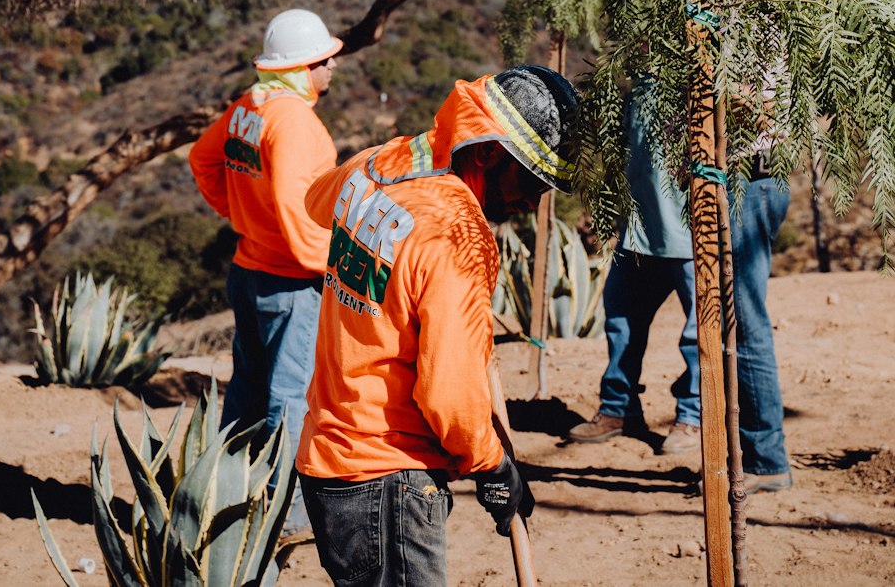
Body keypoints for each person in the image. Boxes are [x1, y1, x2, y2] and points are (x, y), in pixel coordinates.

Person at [295, 65, 580, 587]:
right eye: (533, 181)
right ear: (488, 151)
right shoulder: (459, 235)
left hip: (330, 465)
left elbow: (318, 203)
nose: (532, 203)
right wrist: (494, 469)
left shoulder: (387, 160)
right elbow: (450, 395)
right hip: (388, 478)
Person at [189, 7, 343, 526]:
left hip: (247, 270)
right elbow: (299, 211)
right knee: (289, 399)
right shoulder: (296, 123)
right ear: (302, 67)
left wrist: (238, 212)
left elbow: (203, 160)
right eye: (325, 59)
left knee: (248, 391)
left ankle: (226, 496)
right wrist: (328, 267)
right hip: (290, 282)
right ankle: (282, 515)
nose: (332, 68)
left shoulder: (249, 106)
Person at [568, 87, 700, 454]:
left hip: (689, 230)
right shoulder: (638, 82)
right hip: (639, 230)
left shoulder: (698, 73)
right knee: (621, 318)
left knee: (699, 331)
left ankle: (692, 416)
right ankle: (618, 408)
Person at [732, 158, 792, 493]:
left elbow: (756, 108)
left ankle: (766, 461)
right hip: (753, 183)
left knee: (746, 324)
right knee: (743, 321)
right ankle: (761, 455)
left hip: (749, 184)